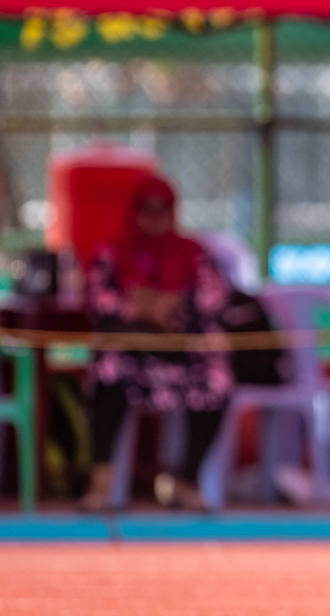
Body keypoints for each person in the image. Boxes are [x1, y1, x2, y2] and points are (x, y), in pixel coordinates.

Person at [81, 176, 233, 512]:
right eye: (146, 211)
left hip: (179, 354)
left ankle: (187, 480)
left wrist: (172, 305)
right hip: (132, 353)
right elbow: (98, 301)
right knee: (108, 372)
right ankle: (101, 480)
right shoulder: (113, 251)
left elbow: (216, 298)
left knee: (216, 378)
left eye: (161, 210)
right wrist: (141, 308)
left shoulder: (191, 252)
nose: (154, 218)